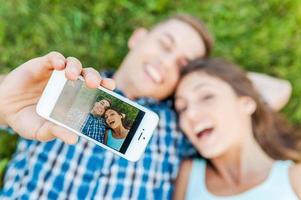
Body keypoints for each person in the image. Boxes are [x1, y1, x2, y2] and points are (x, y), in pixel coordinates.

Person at [0, 14, 292, 199]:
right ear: (138, 38)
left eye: (182, 65)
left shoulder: (179, 126)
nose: (166, 62)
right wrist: (6, 99)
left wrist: (215, 82)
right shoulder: (65, 84)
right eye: (165, 44)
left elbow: (278, 91)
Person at [173, 58, 301, 200]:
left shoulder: (294, 179)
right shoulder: (189, 175)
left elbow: (281, 88)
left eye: (207, 97)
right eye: (182, 108)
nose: (190, 114)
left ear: (246, 104)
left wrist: (238, 80)